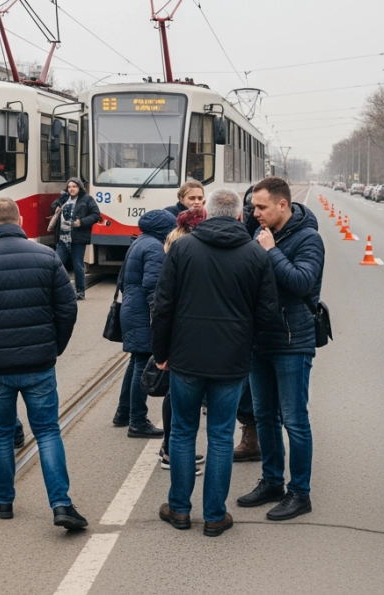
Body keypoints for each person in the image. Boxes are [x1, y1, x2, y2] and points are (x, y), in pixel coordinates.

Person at [0, 197, 87, 530]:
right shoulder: (47, 257)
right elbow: (67, 310)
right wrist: (54, 349)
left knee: (0, 434)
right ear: (21, 219)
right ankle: (61, 504)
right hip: (39, 364)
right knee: (48, 431)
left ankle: (4, 499)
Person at [153, 188, 277, 537]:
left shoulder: (182, 249)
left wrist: (161, 353)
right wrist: (245, 344)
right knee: (222, 437)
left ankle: (178, 509)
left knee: (182, 433)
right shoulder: (256, 255)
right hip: (232, 361)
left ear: (204, 212)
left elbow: (163, 306)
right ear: (242, 216)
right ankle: (214, 515)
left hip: (186, 358)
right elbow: (266, 315)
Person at [236, 177, 324, 522]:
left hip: (292, 341)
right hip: (260, 339)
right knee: (265, 417)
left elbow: (302, 281)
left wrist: (271, 251)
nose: (254, 212)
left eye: (261, 207)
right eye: (253, 207)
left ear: (282, 205)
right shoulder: (256, 233)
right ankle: (272, 481)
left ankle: (300, 493)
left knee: (294, 420)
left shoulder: (308, 238)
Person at [112, 209, 174, 438]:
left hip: (130, 310)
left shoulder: (139, 242)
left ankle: (123, 412)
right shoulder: (155, 248)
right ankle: (137, 421)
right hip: (142, 314)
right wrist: (157, 317)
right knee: (142, 365)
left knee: (135, 362)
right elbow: (153, 287)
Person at [158, 207, 207, 473]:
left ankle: (169, 449)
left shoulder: (174, 242)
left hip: (177, 333)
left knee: (175, 396)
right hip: (185, 333)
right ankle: (171, 453)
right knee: (181, 404)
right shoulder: (185, 246)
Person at [235, 185, 262, 463]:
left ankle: (257, 438)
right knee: (248, 384)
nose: (254, 212)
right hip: (247, 322)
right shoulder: (249, 229)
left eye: (259, 207)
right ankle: (252, 436)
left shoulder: (300, 235)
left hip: (270, 326)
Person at [50, 177, 101, 300]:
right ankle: (58, 290)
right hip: (63, 237)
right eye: (69, 187)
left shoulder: (87, 199)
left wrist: (82, 222)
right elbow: (53, 205)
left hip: (78, 238)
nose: (71, 189)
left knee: (77, 265)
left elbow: (96, 215)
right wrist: (56, 206)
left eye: (74, 186)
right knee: (58, 264)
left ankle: (80, 291)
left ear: (79, 188)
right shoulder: (64, 198)